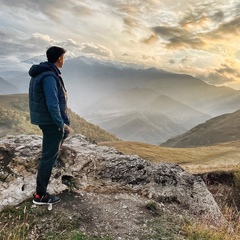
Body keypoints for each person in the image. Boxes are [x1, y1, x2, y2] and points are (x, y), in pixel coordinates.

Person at [29, 46, 70, 204]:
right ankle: (41, 195)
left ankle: (53, 152)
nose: (64, 60)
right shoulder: (49, 77)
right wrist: (60, 123)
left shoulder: (43, 72)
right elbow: (52, 104)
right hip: (51, 121)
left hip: (45, 120)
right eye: (63, 57)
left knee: (63, 136)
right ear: (59, 58)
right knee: (48, 156)